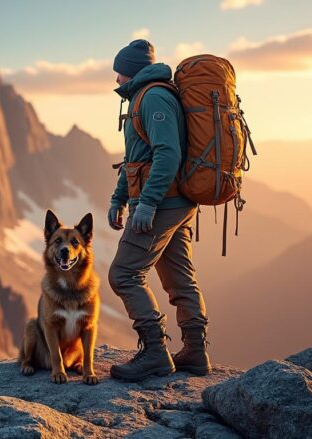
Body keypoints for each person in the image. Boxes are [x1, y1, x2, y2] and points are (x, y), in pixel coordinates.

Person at [107, 39, 211, 380]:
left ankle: (154, 352)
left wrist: (147, 203)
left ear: (131, 71)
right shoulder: (144, 97)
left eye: (119, 72)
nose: (116, 80)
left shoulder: (152, 98)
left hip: (162, 203)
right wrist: (119, 198)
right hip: (173, 202)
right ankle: (195, 352)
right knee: (179, 278)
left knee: (124, 274)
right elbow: (136, 158)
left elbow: (167, 154)